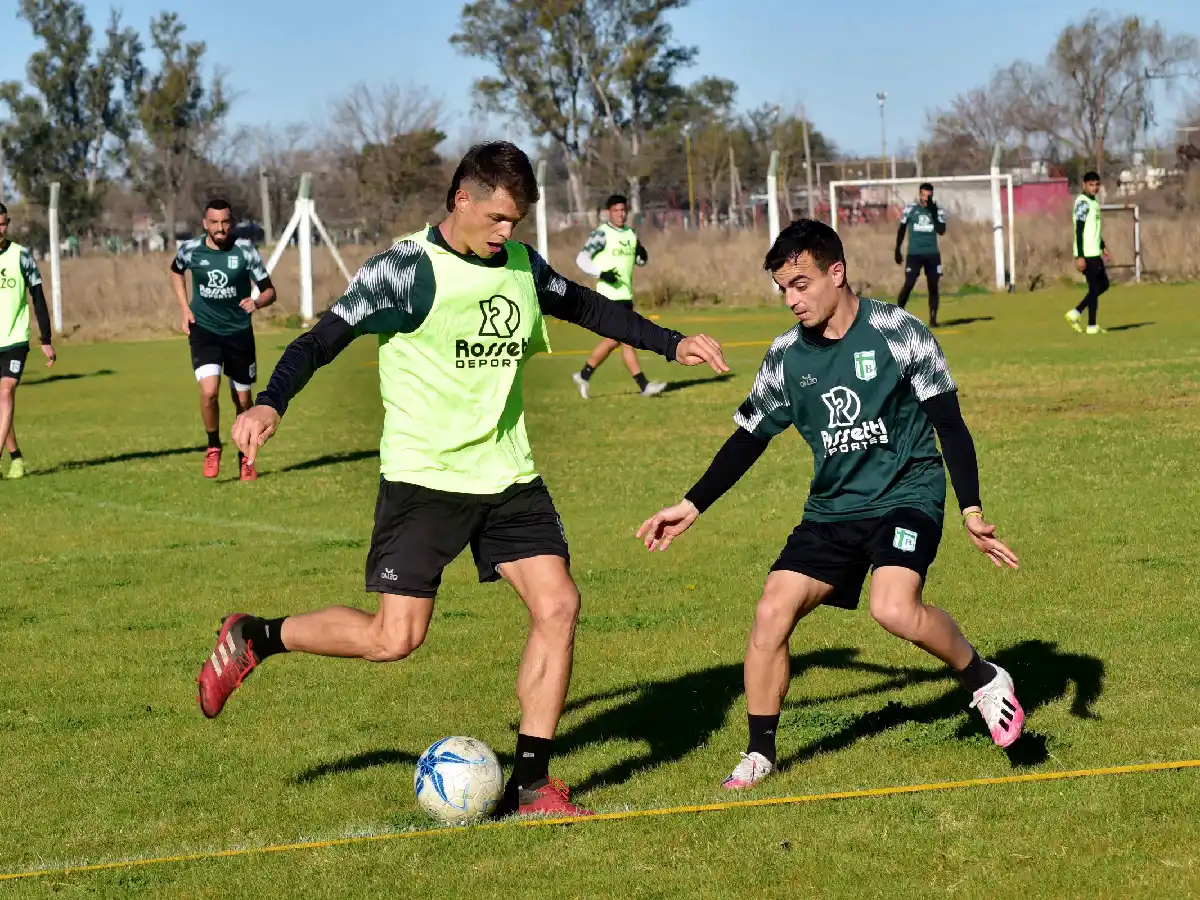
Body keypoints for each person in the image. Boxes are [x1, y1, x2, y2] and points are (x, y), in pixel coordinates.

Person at [194, 142, 728, 817]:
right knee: (395, 639)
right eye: (498, 219)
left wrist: (668, 340)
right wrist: (271, 400)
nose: (508, 234)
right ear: (462, 201)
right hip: (426, 477)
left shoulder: (519, 265)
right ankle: (256, 637)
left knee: (558, 606)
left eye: (518, 222)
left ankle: (532, 785)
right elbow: (318, 341)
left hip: (508, 473)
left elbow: (594, 310)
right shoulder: (405, 271)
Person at [638, 218, 1023, 791]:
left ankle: (984, 677)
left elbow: (950, 424)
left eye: (801, 283)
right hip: (833, 510)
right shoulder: (786, 357)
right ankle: (760, 753)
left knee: (892, 608)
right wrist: (691, 505)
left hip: (906, 494)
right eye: (783, 289)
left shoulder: (899, 331)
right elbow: (749, 437)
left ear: (836, 272)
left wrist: (970, 508)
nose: (792, 300)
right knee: (772, 611)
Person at [169, 199, 277, 481]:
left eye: (225, 222)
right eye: (214, 222)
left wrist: (256, 302)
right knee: (209, 392)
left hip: (239, 332)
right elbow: (175, 270)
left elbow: (269, 290)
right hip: (204, 330)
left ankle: (245, 457)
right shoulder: (191, 249)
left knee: (242, 401)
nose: (220, 227)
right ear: (205, 223)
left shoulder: (244, 251)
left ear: (232, 223)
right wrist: (184, 308)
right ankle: (213, 445)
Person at [571, 194, 664, 398]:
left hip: (625, 294)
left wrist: (642, 257)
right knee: (621, 338)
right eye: (616, 210)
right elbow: (581, 258)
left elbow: (637, 259)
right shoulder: (602, 234)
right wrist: (601, 273)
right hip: (607, 295)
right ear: (609, 212)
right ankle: (643, 385)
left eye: (623, 210)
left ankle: (585, 375)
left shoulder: (631, 234)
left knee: (625, 340)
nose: (620, 214)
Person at [0, 202, 57, 480]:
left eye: (2, 224)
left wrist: (45, 338)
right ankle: (16, 457)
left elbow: (38, 297)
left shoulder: (21, 256)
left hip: (14, 339)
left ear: (7, 223)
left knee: (6, 392)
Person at [894, 182, 947, 328]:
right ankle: (898, 315)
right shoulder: (911, 209)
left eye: (928, 195)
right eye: (923, 195)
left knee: (933, 285)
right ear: (919, 195)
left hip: (932, 254)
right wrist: (897, 249)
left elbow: (941, 230)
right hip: (914, 254)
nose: (926, 198)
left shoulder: (938, 210)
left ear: (932, 195)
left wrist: (934, 212)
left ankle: (933, 319)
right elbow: (902, 229)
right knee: (909, 283)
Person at [1065, 171, 1110, 335]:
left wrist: (1102, 245)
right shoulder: (1083, 203)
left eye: (1097, 184)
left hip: (1094, 251)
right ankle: (1091, 326)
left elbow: (1094, 229)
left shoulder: (1094, 202)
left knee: (1103, 285)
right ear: (1084, 185)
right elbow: (1079, 230)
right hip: (1087, 253)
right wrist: (1080, 256)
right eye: (1091, 184)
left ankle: (1076, 313)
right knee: (1094, 288)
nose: (1094, 187)